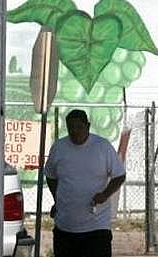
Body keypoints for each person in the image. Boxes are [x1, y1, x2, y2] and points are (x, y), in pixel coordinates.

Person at [45, 109, 127, 257]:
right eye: (71, 127)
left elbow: (119, 175)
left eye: (79, 127)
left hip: (97, 226)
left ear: (88, 126)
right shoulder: (59, 147)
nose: (75, 131)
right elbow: (50, 175)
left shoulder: (102, 147)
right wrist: (57, 198)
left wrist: (105, 194)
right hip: (65, 227)